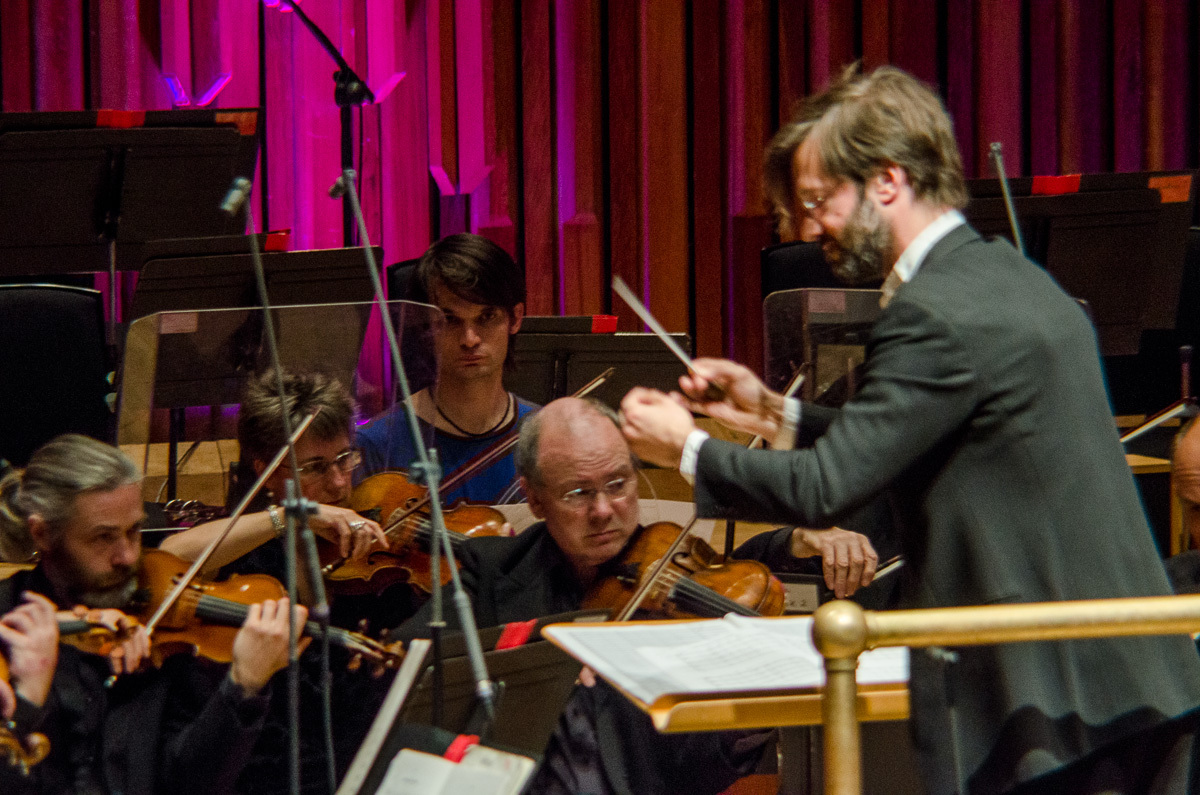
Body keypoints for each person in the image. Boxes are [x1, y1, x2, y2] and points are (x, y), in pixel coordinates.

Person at [620, 65, 1200, 795]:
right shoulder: (1007, 277)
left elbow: (831, 486)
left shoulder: (931, 313)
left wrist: (685, 446)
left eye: (816, 200)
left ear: (886, 180)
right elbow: (919, 432)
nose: (804, 229)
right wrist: (774, 412)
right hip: (1125, 688)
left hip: (1055, 707)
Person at [392, 397, 878, 794]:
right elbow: (409, 671)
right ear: (535, 499)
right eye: (578, 494)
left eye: (619, 485)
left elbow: (692, 769)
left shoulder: (671, 570)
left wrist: (742, 730)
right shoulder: (492, 569)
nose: (605, 511)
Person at [0, 433, 302, 795]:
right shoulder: (9, 623)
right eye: (103, 538)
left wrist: (244, 686)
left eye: (134, 531)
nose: (128, 556)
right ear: (43, 534)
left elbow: (190, 783)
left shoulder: (160, 625)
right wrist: (28, 705)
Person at [356, 233, 537, 503]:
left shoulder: (546, 435)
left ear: (516, 318)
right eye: (449, 320)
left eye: (486, 317)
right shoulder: (376, 445)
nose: (469, 339)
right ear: (424, 326)